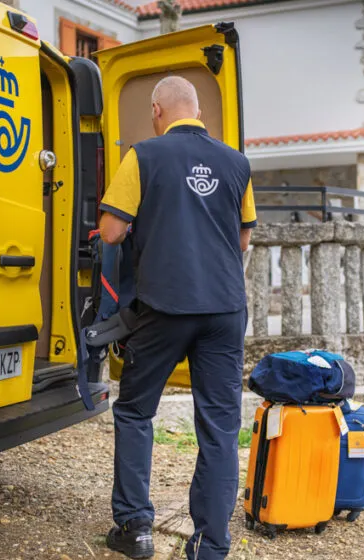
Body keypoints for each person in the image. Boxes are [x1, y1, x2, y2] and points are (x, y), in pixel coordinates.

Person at [98, 76, 257, 559]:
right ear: (199, 114)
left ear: (156, 112)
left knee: (135, 410)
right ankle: (210, 546)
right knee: (219, 428)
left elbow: (109, 231)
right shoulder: (237, 162)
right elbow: (245, 239)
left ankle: (135, 529)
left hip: (166, 306)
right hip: (226, 309)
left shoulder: (143, 156)